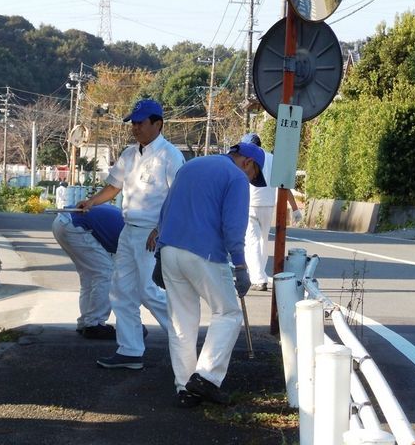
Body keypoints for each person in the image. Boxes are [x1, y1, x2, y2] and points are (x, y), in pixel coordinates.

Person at [156, 142, 266, 407]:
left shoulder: (191, 165)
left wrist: (160, 253)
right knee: (228, 312)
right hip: (203, 253)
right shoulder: (236, 177)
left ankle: (185, 387)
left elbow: (164, 210)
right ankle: (205, 377)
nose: (251, 180)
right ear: (248, 163)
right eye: (254, 175)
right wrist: (240, 266)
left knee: (182, 321)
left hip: (170, 248)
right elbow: (233, 225)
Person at [77, 98, 184, 370]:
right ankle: (130, 351)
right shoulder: (128, 154)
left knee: (149, 291)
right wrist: (91, 202)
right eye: (133, 123)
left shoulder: (170, 156)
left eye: (140, 123)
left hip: (152, 233)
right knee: (121, 292)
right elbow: (113, 187)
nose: (135, 128)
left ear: (157, 124)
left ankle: (183, 341)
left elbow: (178, 198)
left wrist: (162, 230)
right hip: (129, 231)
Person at [240, 133, 302, 292]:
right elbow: (284, 185)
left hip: (250, 204)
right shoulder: (273, 158)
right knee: (262, 240)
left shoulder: (245, 158)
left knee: (251, 241)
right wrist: (295, 209)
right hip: (268, 205)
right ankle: (259, 274)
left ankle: (258, 278)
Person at [52, 204, 125, 339]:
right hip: (75, 226)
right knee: (105, 273)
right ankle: (94, 323)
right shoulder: (131, 234)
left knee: (89, 275)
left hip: (63, 222)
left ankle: (86, 322)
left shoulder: (128, 222)